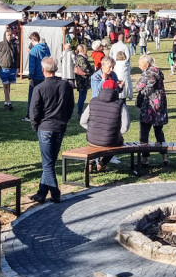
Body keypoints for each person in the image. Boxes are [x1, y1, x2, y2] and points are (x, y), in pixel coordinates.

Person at [28, 56, 74, 204]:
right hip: (59, 126)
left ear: (43, 70)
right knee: (50, 162)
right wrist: (64, 120)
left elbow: (34, 111)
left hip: (46, 128)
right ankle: (42, 192)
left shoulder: (39, 88)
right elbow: (70, 106)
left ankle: (55, 192)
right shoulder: (65, 85)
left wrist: (35, 126)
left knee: (48, 164)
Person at [80, 79, 130, 171]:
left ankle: (91, 162)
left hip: (91, 138)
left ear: (102, 88)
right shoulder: (120, 105)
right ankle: (102, 164)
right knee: (118, 141)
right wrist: (117, 133)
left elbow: (82, 121)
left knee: (95, 143)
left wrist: (91, 128)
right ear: (116, 90)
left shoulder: (93, 101)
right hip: (110, 140)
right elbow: (125, 126)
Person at [135, 54, 170, 167]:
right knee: (159, 132)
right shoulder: (158, 72)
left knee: (144, 132)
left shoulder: (147, 73)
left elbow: (138, 87)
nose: (139, 66)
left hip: (149, 106)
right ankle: (164, 157)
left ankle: (145, 159)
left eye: (141, 63)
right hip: (160, 105)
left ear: (147, 63)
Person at [24, 32, 50, 122]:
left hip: (36, 76)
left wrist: (30, 77)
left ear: (33, 40)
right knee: (43, 96)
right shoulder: (46, 48)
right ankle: (42, 114)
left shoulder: (33, 50)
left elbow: (32, 65)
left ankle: (30, 115)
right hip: (45, 75)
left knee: (32, 96)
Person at [0, 29, 19, 110]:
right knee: (6, 85)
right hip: (3, 68)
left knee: (8, 85)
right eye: (8, 35)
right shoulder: (0, 44)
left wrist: (17, 67)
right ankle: (9, 102)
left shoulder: (14, 45)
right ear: (5, 35)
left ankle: (6, 102)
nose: (9, 36)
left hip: (12, 68)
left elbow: (17, 56)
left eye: (10, 35)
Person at [72, 44, 94, 116]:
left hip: (81, 79)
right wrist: (92, 70)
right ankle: (80, 112)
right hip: (82, 79)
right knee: (82, 96)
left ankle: (80, 111)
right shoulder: (81, 58)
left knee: (82, 96)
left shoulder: (79, 57)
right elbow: (85, 69)